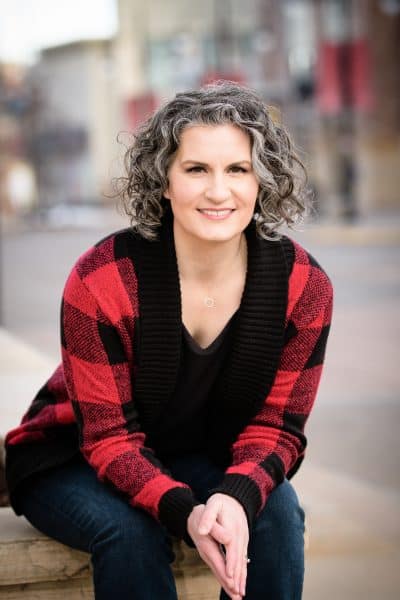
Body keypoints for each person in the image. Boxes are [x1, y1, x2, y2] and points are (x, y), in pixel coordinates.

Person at [5, 81, 333, 599]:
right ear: (163, 181)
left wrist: (235, 495)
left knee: (279, 517)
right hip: (70, 457)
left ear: (261, 181)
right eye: (196, 169)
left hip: (197, 455)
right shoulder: (104, 278)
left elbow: (279, 426)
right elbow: (108, 439)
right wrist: (187, 512)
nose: (218, 191)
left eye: (237, 169)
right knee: (131, 533)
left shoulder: (302, 286)